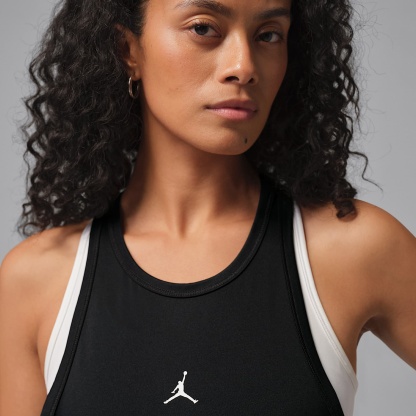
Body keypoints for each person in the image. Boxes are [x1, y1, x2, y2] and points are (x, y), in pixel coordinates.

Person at [0, 0, 415, 415]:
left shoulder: (353, 251)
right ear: (128, 50)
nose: (244, 66)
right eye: (203, 28)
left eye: (269, 35)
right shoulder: (36, 282)